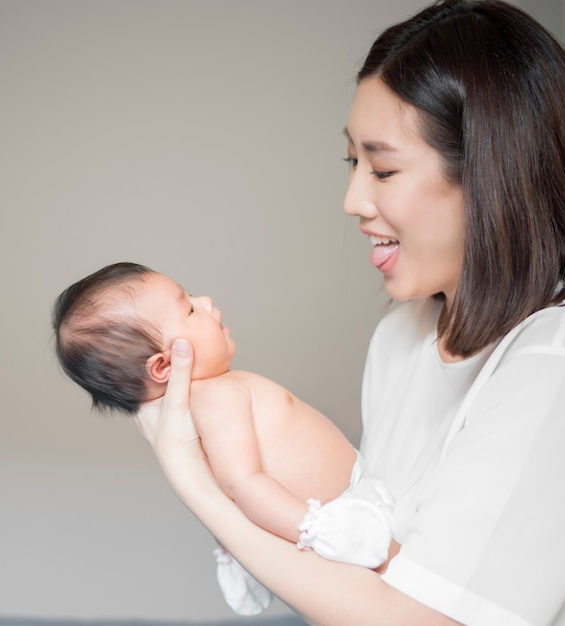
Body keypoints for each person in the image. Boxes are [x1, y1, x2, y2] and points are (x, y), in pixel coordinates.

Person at [134, 0, 565, 624]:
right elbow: (357, 567)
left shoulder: (549, 367)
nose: (352, 199)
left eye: (383, 168)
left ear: (491, 173)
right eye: (352, 163)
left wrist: (201, 487)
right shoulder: (400, 339)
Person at [52, 262, 396, 615]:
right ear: (164, 366)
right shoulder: (212, 398)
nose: (205, 300)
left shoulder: (208, 400)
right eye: (187, 307)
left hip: (352, 514)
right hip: (346, 529)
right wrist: (320, 530)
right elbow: (242, 484)